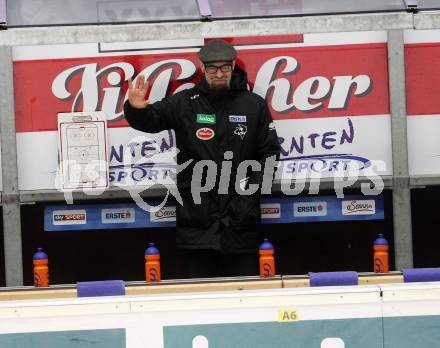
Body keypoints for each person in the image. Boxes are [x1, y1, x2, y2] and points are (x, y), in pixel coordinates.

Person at [124, 39, 280, 278]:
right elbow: (152, 119)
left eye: (225, 68)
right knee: (200, 299)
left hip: (241, 223)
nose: (219, 74)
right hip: (197, 222)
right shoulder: (185, 102)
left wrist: (250, 195)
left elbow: (269, 154)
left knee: (245, 295)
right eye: (212, 68)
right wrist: (136, 109)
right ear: (203, 69)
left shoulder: (254, 105)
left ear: (233, 66)